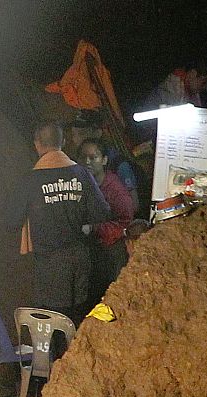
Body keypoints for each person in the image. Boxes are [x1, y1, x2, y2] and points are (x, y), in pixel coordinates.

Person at [13, 123, 110, 318]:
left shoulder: (30, 180)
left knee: (52, 321)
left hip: (50, 266)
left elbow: (11, 221)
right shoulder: (81, 174)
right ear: (63, 142)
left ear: (37, 144)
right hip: (80, 260)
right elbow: (102, 212)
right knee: (78, 316)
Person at [79, 139, 136, 304]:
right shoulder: (81, 186)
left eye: (93, 157)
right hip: (92, 253)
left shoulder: (116, 189)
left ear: (104, 160)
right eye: (83, 157)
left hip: (112, 254)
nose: (88, 162)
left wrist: (95, 228)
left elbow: (126, 223)